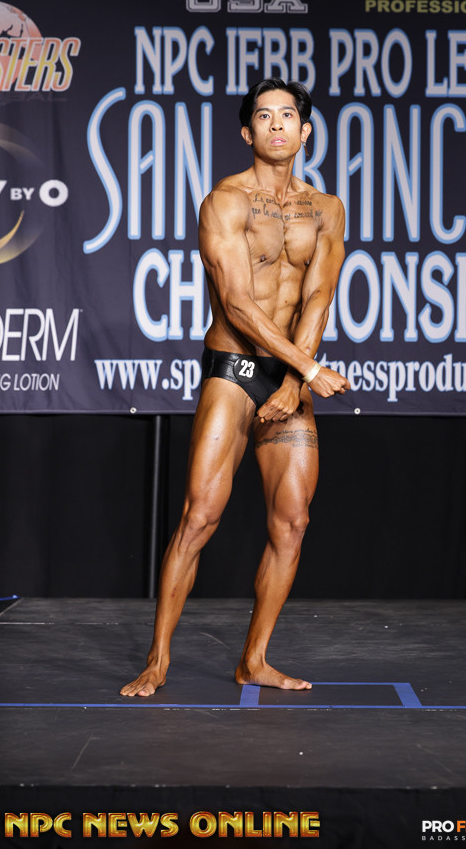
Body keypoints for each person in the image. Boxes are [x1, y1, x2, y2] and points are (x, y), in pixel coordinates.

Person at [121, 78, 350, 697]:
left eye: (288, 115)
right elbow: (239, 304)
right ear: (247, 132)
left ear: (305, 131)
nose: (277, 124)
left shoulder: (327, 209)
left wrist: (295, 381)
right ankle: (158, 659)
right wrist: (308, 371)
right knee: (200, 515)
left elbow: (319, 296)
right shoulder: (224, 201)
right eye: (264, 116)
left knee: (293, 522)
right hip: (234, 369)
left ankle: (254, 659)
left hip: (289, 375)